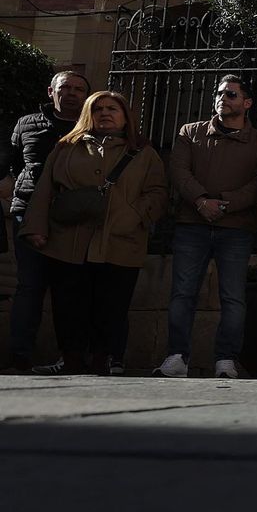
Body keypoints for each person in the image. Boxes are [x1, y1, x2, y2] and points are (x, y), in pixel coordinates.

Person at [19, 90, 165, 375]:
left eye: (113, 108)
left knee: (111, 304)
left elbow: (158, 193)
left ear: (125, 116)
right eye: (98, 109)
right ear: (88, 115)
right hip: (68, 241)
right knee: (68, 303)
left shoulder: (144, 152)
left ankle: (106, 359)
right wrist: (36, 228)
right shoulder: (65, 148)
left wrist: (133, 216)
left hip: (120, 242)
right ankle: (71, 359)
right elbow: (45, 190)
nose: (105, 113)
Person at [158, 74, 257, 378]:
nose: (223, 98)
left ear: (247, 103)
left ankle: (226, 359)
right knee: (183, 293)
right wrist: (200, 201)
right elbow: (179, 170)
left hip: (236, 229)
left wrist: (224, 203)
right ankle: (177, 357)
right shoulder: (189, 132)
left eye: (231, 94)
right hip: (190, 225)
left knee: (233, 296)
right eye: (220, 93)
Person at [5, 69, 89, 373]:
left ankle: (71, 357)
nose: (72, 93)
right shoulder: (27, 124)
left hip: (74, 216)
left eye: (79, 89)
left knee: (69, 289)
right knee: (30, 286)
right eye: (65, 87)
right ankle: (19, 356)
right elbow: (14, 166)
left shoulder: (92, 126)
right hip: (27, 212)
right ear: (51, 92)